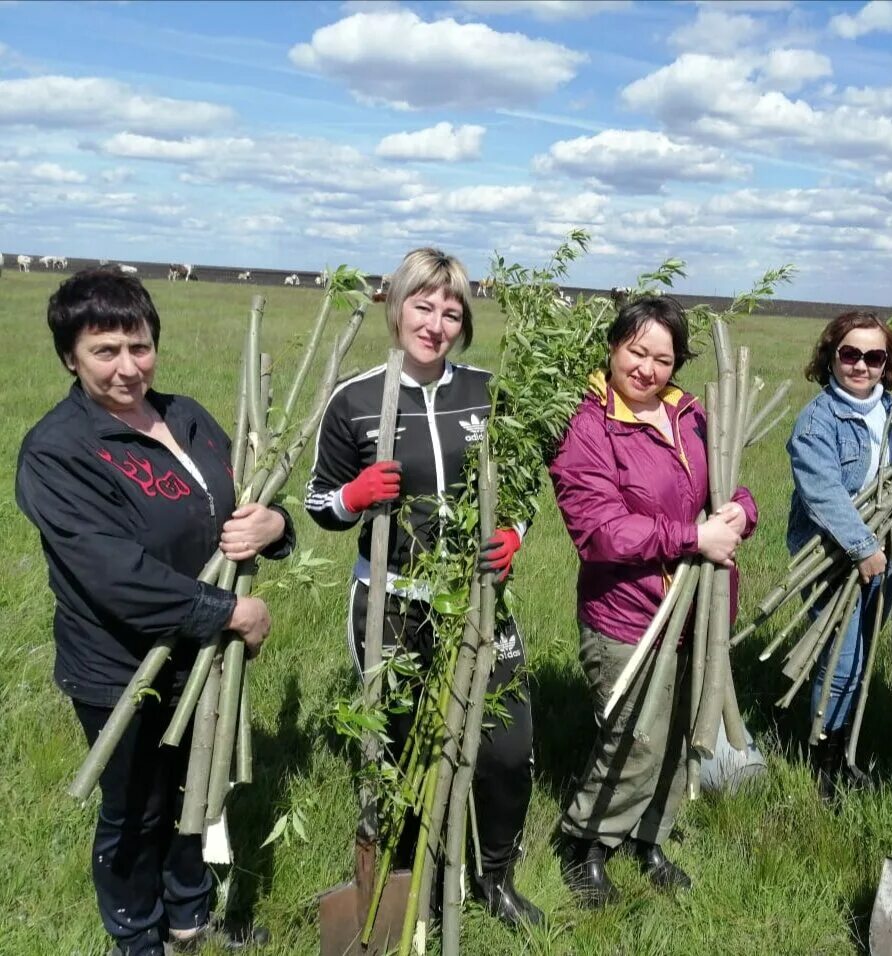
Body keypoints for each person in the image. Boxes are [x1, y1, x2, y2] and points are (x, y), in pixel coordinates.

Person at [15, 268, 292, 956]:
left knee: (195, 793)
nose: (127, 366)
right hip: (121, 666)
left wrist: (276, 526)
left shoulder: (190, 417)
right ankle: (136, 938)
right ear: (69, 359)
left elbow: (244, 507)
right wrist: (230, 611)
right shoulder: (59, 451)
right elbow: (115, 575)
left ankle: (189, 920)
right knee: (135, 811)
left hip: (201, 659)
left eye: (138, 346)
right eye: (104, 351)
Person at [304, 248, 541, 927]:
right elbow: (318, 504)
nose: (435, 322)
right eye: (423, 304)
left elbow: (522, 483)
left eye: (451, 310)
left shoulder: (487, 392)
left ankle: (495, 879)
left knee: (505, 747)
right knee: (402, 750)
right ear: (395, 305)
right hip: (391, 602)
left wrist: (516, 532)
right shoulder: (354, 400)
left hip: (477, 598)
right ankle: (417, 890)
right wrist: (353, 495)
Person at [548, 295, 759, 907]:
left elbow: (736, 484)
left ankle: (648, 837)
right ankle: (585, 842)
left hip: (699, 612)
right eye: (636, 351)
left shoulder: (692, 414)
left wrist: (739, 512)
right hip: (628, 613)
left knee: (677, 736)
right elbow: (599, 531)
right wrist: (694, 536)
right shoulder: (587, 425)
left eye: (662, 359)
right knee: (636, 736)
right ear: (613, 346)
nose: (647, 369)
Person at [786, 310, 892, 799]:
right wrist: (863, 547)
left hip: (889, 555)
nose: (861, 365)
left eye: (874, 356)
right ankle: (823, 758)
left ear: (888, 363)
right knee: (840, 660)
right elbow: (823, 494)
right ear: (831, 357)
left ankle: (845, 750)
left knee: (862, 657)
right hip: (834, 558)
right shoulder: (816, 421)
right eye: (850, 354)